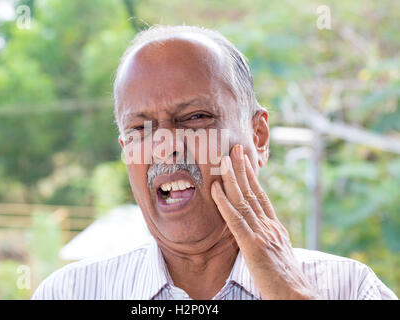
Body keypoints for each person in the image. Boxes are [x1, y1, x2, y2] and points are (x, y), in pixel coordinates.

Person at [32, 25, 397, 300]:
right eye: (139, 129)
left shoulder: (350, 288)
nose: (165, 147)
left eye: (195, 118)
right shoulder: (70, 292)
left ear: (258, 137)